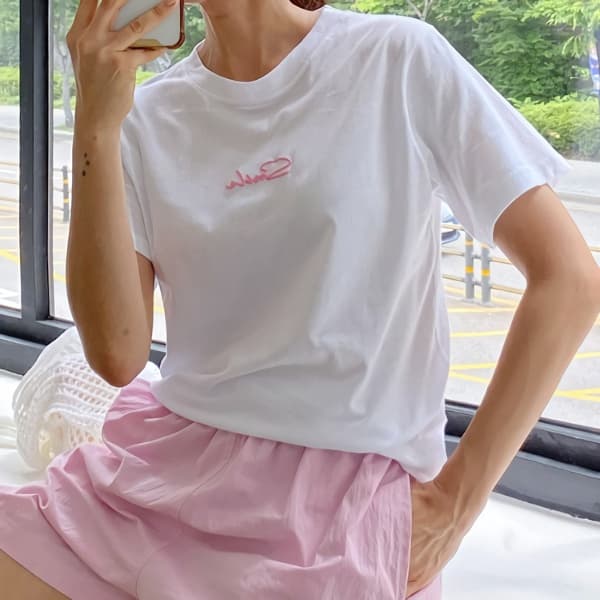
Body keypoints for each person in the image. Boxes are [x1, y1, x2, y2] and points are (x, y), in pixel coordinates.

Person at [1, 0, 599, 598]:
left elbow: (569, 279)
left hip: (339, 509)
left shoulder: (396, 58)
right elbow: (116, 354)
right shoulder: (145, 115)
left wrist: (456, 503)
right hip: (166, 471)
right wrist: (96, 125)